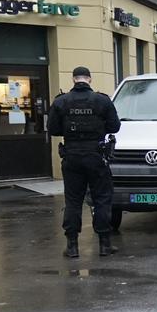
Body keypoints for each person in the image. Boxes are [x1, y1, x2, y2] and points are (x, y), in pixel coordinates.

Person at [47, 66, 121, 258]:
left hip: (71, 157)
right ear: (90, 79)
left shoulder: (61, 102)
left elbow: (53, 129)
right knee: (102, 199)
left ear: (73, 80)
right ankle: (105, 245)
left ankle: (72, 246)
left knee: (73, 200)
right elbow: (115, 126)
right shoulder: (102, 100)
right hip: (96, 157)